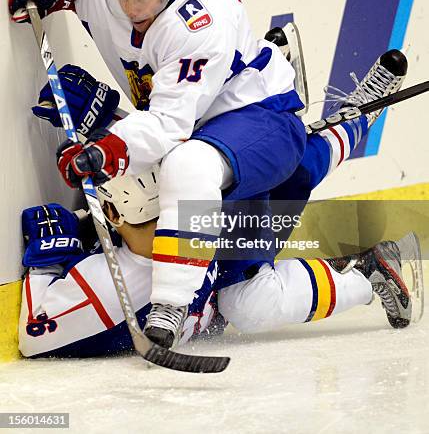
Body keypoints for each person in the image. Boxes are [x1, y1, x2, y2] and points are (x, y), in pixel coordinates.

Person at [8, 0, 409, 349]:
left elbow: (166, 126)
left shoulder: (197, 24)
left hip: (253, 115)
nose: (129, 6)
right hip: (208, 136)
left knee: (197, 164)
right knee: (250, 301)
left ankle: (171, 305)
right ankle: (369, 270)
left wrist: (107, 143)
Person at [18, 52, 422, 359]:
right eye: (154, 220)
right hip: (229, 264)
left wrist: (104, 114)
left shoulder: (178, 196)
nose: (172, 229)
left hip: (225, 215)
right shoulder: (113, 283)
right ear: (114, 215)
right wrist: (48, 262)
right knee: (249, 303)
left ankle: (323, 107)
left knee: (289, 165)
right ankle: (368, 273)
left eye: (168, 214)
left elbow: (166, 139)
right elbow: (35, 335)